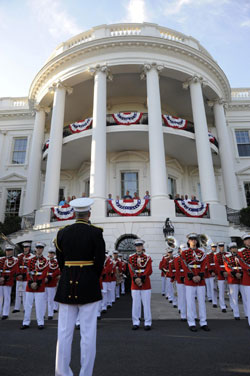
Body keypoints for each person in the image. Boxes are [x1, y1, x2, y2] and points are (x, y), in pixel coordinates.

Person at [54, 197, 105, 376]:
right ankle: (85, 373)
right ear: (89, 213)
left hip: (66, 283)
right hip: (88, 284)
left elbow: (60, 261)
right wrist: (91, 277)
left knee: (64, 333)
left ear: (74, 214)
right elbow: (100, 262)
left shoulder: (62, 233)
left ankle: (62, 372)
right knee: (88, 335)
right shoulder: (96, 233)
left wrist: (68, 271)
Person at [181, 233, 210, 332]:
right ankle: (191, 322)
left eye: (195, 239)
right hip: (190, 281)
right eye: (191, 239)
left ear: (197, 241)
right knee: (190, 302)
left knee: (202, 302)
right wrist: (192, 276)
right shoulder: (184, 253)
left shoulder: (201, 253)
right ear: (188, 241)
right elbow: (184, 267)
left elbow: (204, 265)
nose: (193, 241)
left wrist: (200, 275)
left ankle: (203, 322)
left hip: (200, 281)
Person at [21, 242, 48, 329]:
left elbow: (44, 274)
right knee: (28, 304)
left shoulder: (46, 261)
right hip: (30, 285)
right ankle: (26, 322)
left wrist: (37, 283)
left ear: (43, 249)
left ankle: (40, 322)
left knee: (39, 305)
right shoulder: (30, 260)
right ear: (35, 249)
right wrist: (31, 283)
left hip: (39, 286)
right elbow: (28, 272)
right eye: (38, 248)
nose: (39, 249)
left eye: (41, 248)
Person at [128, 239, 152, 331]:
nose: (138, 247)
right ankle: (135, 322)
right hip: (135, 283)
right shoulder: (131, 257)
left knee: (146, 304)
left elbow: (149, 269)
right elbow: (130, 270)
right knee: (135, 304)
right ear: (135, 247)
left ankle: (148, 322)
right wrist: (135, 279)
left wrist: (141, 278)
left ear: (142, 246)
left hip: (145, 282)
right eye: (137, 246)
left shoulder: (147, 257)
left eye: (140, 246)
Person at [13, 241, 33, 313]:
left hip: (26, 278)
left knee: (25, 293)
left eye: (27, 247)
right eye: (24, 247)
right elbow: (17, 266)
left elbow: (30, 267)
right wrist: (18, 274)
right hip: (19, 277)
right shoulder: (19, 256)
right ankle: (16, 308)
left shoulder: (31, 256)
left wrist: (24, 275)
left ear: (29, 248)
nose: (25, 249)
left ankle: (25, 308)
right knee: (18, 292)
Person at [224, 242, 242, 320]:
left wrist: (241, 274)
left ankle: (247, 314)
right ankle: (236, 314)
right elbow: (227, 268)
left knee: (245, 296)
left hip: (242, 277)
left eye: (235, 248)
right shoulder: (227, 257)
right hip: (233, 278)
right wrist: (235, 274)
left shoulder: (240, 256)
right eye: (233, 248)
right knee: (234, 297)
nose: (235, 249)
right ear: (230, 249)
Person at [0, 244, 18, 320]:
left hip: (8, 280)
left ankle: (5, 313)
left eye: (10, 250)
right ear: (5, 251)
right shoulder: (1, 259)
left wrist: (4, 278)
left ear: (12, 251)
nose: (8, 252)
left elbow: (14, 270)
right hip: (0, 280)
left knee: (7, 297)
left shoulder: (15, 260)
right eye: (7, 250)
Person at [237, 233, 250, 327]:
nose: (249, 241)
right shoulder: (241, 252)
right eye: (247, 239)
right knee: (249, 301)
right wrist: (248, 269)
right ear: (244, 242)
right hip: (247, 279)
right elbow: (241, 263)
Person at [45, 247, 60, 320]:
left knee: (51, 298)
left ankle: (50, 313)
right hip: (45, 281)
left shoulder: (56, 262)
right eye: (49, 253)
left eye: (52, 253)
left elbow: (57, 271)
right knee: (44, 299)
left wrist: (51, 276)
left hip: (52, 281)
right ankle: (43, 313)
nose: (50, 254)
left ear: (54, 254)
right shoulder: (45, 261)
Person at [214, 242, 228, 312]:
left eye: (222, 246)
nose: (221, 247)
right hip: (221, 274)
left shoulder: (227, 254)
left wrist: (227, 272)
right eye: (220, 246)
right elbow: (217, 265)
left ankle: (232, 306)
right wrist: (222, 272)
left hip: (228, 273)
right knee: (221, 291)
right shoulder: (216, 255)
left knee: (230, 291)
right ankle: (223, 306)